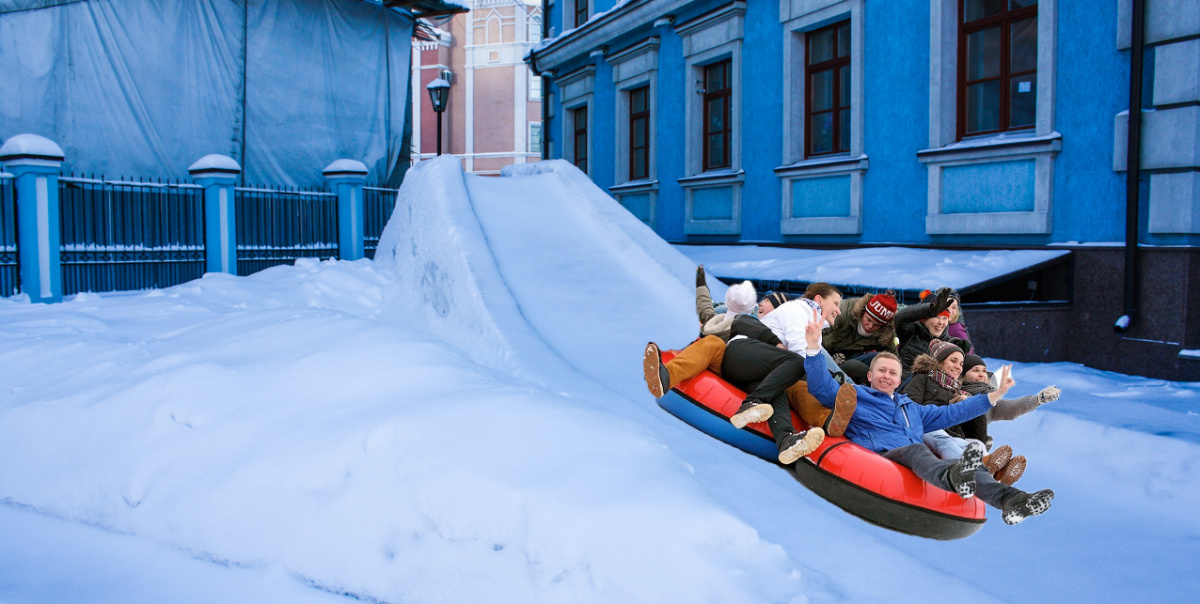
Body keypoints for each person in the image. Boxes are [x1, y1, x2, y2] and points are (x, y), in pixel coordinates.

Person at [799, 308, 1055, 525]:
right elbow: (823, 388)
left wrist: (993, 395)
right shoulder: (856, 395)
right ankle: (954, 476)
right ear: (870, 376)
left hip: (917, 461)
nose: (886, 376)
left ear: (899, 380)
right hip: (880, 454)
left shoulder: (911, 408)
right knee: (917, 450)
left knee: (971, 469)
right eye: (881, 371)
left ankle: (1015, 501)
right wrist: (813, 349)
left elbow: (953, 412)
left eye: (892, 373)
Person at [718, 283, 844, 464]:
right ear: (818, 299)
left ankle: (786, 439)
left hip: (756, 372)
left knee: (778, 390)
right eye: (836, 303)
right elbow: (800, 351)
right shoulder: (798, 309)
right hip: (741, 353)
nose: (839, 310)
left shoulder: (813, 324)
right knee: (797, 362)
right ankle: (751, 403)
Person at [904, 340, 1026, 485]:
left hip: (953, 437)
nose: (958, 366)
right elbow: (908, 408)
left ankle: (992, 470)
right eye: (953, 361)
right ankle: (966, 472)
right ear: (940, 361)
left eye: (961, 364)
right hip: (927, 429)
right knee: (943, 440)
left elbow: (975, 432)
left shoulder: (958, 391)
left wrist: (968, 404)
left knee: (976, 445)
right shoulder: (922, 379)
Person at [894, 287, 971, 380]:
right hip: (903, 388)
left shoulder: (948, 343)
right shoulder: (910, 332)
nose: (941, 323)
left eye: (945, 318)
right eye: (936, 317)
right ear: (924, 318)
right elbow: (900, 317)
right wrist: (929, 309)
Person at [822, 292, 899, 384]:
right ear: (862, 312)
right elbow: (818, 330)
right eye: (868, 319)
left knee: (879, 358)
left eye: (876, 325)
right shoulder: (844, 310)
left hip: (850, 360)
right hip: (823, 352)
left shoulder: (885, 333)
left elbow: (894, 360)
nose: (870, 326)